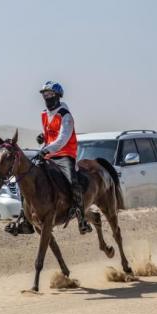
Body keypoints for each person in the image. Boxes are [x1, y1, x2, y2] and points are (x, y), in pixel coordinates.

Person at [36, 81, 92, 234]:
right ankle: (23, 219)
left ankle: (82, 220)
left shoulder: (65, 116)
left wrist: (46, 149)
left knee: (73, 182)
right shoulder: (44, 114)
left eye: (50, 94)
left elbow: (62, 139)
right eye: (44, 94)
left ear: (58, 96)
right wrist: (43, 137)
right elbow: (50, 134)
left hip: (65, 155)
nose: (47, 97)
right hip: (49, 154)